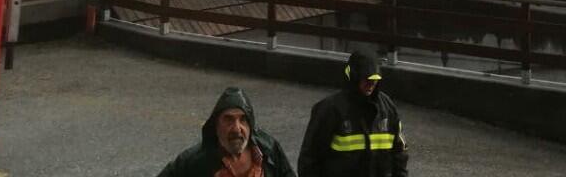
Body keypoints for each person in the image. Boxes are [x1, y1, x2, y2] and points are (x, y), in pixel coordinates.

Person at [297, 51, 408, 177]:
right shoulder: (329, 110)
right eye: (367, 79)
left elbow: (399, 154)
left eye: (375, 80)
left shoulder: (387, 108)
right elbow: (310, 158)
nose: (371, 85)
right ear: (354, 77)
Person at [157, 87, 295, 177]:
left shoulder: (269, 149)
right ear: (216, 126)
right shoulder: (193, 162)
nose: (236, 128)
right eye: (228, 120)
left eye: (243, 120)